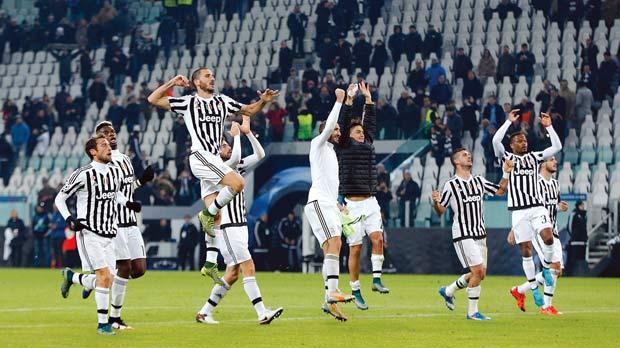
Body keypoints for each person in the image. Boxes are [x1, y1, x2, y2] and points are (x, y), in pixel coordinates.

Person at [147, 69, 278, 238]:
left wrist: (263, 101)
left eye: (213, 76)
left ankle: (210, 262)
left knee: (217, 220)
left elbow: (249, 110)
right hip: (201, 156)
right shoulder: (188, 103)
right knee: (238, 183)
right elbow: (153, 99)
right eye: (207, 76)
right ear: (196, 82)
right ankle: (207, 215)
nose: (212, 78)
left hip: (215, 161)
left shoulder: (223, 101)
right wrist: (173, 82)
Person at [197, 118, 283, 325]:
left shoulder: (233, 166)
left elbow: (260, 154)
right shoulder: (214, 169)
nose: (226, 147)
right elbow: (235, 156)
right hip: (227, 227)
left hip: (239, 224)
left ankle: (204, 312)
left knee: (233, 273)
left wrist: (248, 133)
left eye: (226, 144)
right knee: (248, 266)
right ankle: (262, 313)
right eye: (222, 145)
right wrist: (236, 136)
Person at [56, 135, 142, 335]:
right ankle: (103, 324)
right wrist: (69, 219)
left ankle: (72, 277)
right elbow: (60, 197)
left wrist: (128, 203)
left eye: (109, 145)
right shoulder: (83, 174)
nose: (109, 147)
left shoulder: (114, 171)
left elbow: (115, 194)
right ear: (93, 152)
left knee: (107, 280)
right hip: (89, 232)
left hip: (110, 233)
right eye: (103, 145)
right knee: (103, 276)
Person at [492, 110, 562, 310]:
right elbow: (496, 141)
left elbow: (557, 146)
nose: (524, 143)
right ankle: (532, 288)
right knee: (526, 250)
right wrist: (508, 122)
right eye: (520, 141)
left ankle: (546, 269)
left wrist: (548, 126)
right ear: (512, 145)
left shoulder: (535, 157)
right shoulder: (506, 157)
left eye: (525, 140)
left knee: (548, 238)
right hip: (518, 211)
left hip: (537, 207)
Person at [88, 121, 155, 330]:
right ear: (101, 140)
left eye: (113, 131)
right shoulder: (103, 162)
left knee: (139, 269)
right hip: (115, 222)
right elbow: (110, 192)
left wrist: (141, 181)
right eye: (106, 133)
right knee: (124, 267)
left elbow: (126, 189)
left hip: (131, 222)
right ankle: (114, 318)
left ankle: (92, 280)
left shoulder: (126, 159)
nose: (111, 134)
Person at [433, 148, 512, 320]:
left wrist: (506, 173)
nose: (468, 156)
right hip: (463, 233)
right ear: (456, 162)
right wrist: (435, 202)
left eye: (469, 154)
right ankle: (472, 312)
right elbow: (441, 210)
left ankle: (448, 290)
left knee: (480, 274)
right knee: (477, 270)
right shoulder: (450, 185)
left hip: (480, 234)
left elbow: (500, 191)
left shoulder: (479, 181)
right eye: (464, 155)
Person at [336, 82, 389, 311]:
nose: (362, 132)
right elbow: (345, 120)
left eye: (362, 131)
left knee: (378, 239)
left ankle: (376, 279)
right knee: (355, 248)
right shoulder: (344, 145)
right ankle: (355, 288)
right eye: (357, 130)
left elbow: (370, 122)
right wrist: (349, 101)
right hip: (351, 206)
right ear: (348, 133)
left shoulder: (367, 143)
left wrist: (368, 100)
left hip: (370, 201)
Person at [303, 88, 355, 321]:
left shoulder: (332, 152)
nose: (338, 131)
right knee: (334, 243)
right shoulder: (318, 143)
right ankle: (333, 292)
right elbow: (332, 122)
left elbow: (329, 183)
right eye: (334, 129)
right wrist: (339, 102)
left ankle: (328, 301)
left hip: (328, 204)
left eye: (338, 129)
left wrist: (337, 204)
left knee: (332, 248)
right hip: (318, 203)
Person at [509, 156, 568, 315]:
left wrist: (558, 207)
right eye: (551, 159)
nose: (555, 162)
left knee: (557, 271)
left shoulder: (555, 184)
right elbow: (524, 207)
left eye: (555, 159)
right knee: (554, 267)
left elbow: (549, 205)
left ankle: (520, 290)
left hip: (553, 229)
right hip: (538, 231)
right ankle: (546, 306)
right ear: (542, 164)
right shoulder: (534, 182)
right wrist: (515, 228)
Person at [566, 200, 588, 276]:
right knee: (573, 260)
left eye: (583, 205)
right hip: (575, 242)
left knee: (581, 260)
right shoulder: (573, 214)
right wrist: (574, 236)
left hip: (583, 242)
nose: (583, 206)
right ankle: (570, 274)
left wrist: (584, 238)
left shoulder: (584, 215)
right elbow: (569, 227)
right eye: (581, 205)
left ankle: (580, 274)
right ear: (578, 205)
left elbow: (584, 228)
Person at [32, 203, 51, 267]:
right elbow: (32, 227)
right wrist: (34, 234)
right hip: (37, 237)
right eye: (39, 207)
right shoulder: (35, 216)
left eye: (41, 208)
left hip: (44, 236)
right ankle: (37, 265)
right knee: (37, 252)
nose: (40, 209)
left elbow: (49, 226)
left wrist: (46, 234)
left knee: (46, 251)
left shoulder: (46, 216)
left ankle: (47, 265)